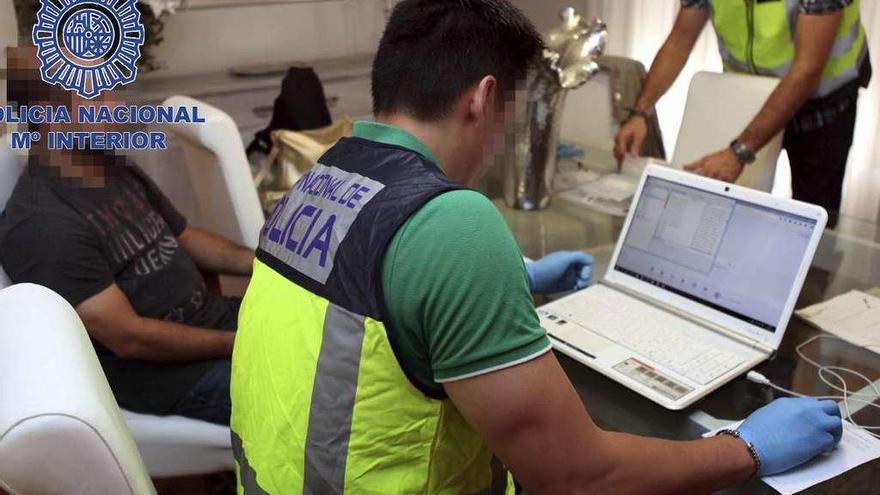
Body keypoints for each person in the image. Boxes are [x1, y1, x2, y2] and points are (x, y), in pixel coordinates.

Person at [230, 1, 842, 493]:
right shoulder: (452, 224)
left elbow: (366, 299)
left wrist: (516, 276)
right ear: (482, 98)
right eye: (511, 118)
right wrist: (744, 450)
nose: (502, 143)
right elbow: (577, 475)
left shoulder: (323, 175)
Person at [0, 48, 253, 426]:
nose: (114, 104)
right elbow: (130, 338)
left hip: (212, 325)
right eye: (97, 95)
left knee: (335, 343)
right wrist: (242, 343)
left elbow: (184, 236)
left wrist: (265, 262)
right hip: (170, 377)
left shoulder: (106, 165)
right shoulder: (40, 224)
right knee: (329, 388)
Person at [615, 0, 870, 229]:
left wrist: (739, 151)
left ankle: (811, 281)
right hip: (749, 96)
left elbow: (807, 68)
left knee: (813, 220)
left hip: (822, 103)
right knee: (725, 207)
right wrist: (641, 112)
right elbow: (679, 42)